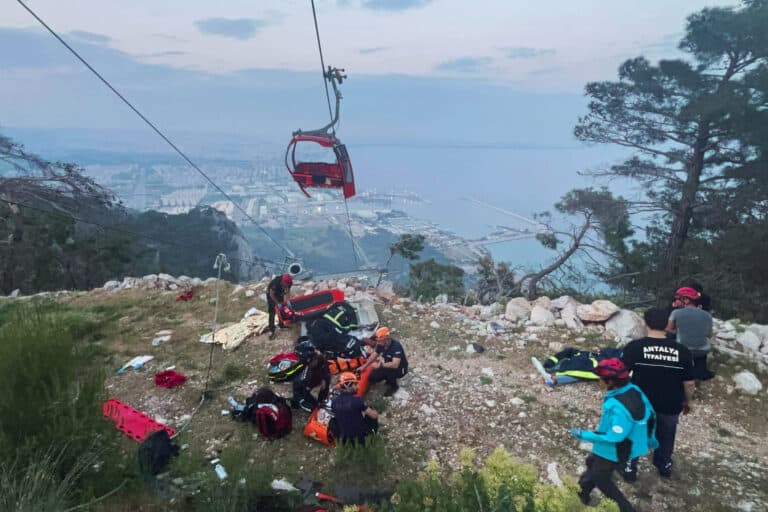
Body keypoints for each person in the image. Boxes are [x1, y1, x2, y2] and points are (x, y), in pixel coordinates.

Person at [569, 358, 657, 512]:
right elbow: (651, 414)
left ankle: (625, 509)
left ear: (610, 382)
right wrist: (650, 438)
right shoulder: (634, 389)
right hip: (629, 444)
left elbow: (614, 437)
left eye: (600, 379)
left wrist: (584, 435)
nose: (598, 381)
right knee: (591, 463)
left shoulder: (618, 407)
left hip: (615, 449)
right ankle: (582, 493)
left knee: (601, 478)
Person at [622, 307, 694, 480]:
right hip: (670, 404)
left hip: (640, 404)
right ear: (667, 325)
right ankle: (664, 465)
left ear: (645, 323)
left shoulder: (635, 348)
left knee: (636, 433)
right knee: (667, 434)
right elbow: (689, 383)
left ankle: (630, 468)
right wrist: (688, 402)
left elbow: (621, 375)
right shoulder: (682, 351)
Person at [666, 286, 714, 380]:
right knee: (702, 348)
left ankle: (677, 369)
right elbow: (709, 335)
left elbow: (668, 329)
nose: (676, 301)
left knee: (670, 338)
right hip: (703, 351)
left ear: (686, 300)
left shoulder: (676, 313)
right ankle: (701, 372)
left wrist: (679, 331)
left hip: (683, 351)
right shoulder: (707, 315)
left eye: (678, 299)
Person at [330, 372, 379, 445]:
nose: (357, 387)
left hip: (346, 439)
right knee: (371, 414)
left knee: (333, 421)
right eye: (355, 385)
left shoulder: (334, 403)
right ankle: (372, 437)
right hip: (361, 439)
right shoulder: (357, 401)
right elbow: (374, 416)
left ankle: (341, 442)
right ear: (348, 385)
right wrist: (374, 411)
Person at [358, 326, 408, 396]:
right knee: (373, 377)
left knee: (389, 371)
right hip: (386, 364)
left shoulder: (396, 347)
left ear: (386, 339)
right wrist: (365, 365)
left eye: (380, 340)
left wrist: (380, 365)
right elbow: (374, 355)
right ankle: (388, 379)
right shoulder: (381, 344)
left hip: (399, 368)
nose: (378, 342)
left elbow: (395, 364)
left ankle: (394, 387)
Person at [291, 340, 330, 413]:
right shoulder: (321, 360)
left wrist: (303, 402)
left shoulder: (304, 377)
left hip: (311, 395)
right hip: (320, 389)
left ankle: (314, 407)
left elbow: (298, 391)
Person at [267, 273, 293, 340]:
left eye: (288, 284)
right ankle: (271, 330)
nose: (287, 285)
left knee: (281, 309)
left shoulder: (289, 282)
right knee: (272, 312)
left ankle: (281, 325)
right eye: (286, 284)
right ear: (283, 282)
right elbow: (271, 294)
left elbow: (288, 291)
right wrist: (277, 303)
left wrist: (287, 301)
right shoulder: (276, 283)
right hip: (271, 295)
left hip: (279, 293)